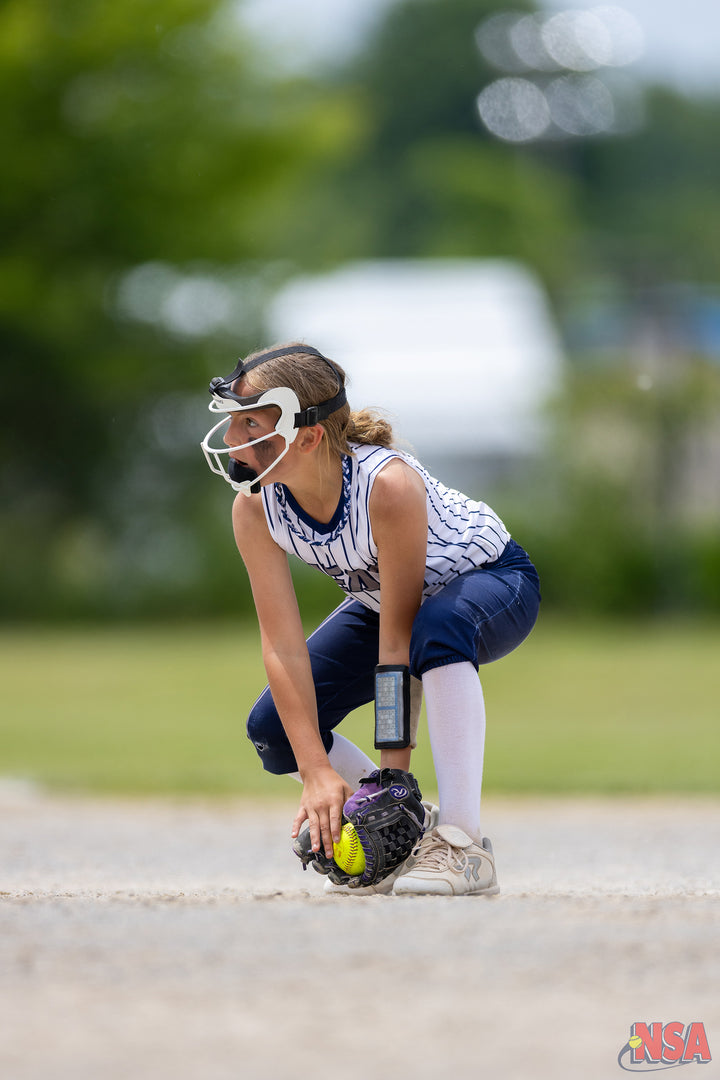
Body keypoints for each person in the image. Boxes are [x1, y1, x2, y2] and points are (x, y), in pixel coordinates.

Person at [201, 342, 540, 896]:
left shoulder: (387, 487)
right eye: (234, 422)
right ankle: (406, 833)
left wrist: (393, 778)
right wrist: (314, 771)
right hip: (390, 606)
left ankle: (462, 845)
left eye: (251, 423)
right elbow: (282, 649)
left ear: (308, 436)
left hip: (493, 579)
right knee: (275, 731)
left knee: (438, 629)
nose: (234, 439)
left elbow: (398, 639)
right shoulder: (254, 508)